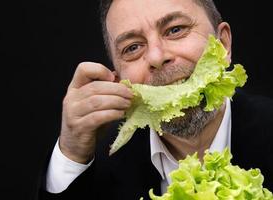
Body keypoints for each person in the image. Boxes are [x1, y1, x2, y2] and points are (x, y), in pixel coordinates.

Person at [39, 0, 273, 199]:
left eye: (175, 30)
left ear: (222, 44)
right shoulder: (102, 167)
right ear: (118, 78)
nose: (156, 57)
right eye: (132, 48)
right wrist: (72, 153)